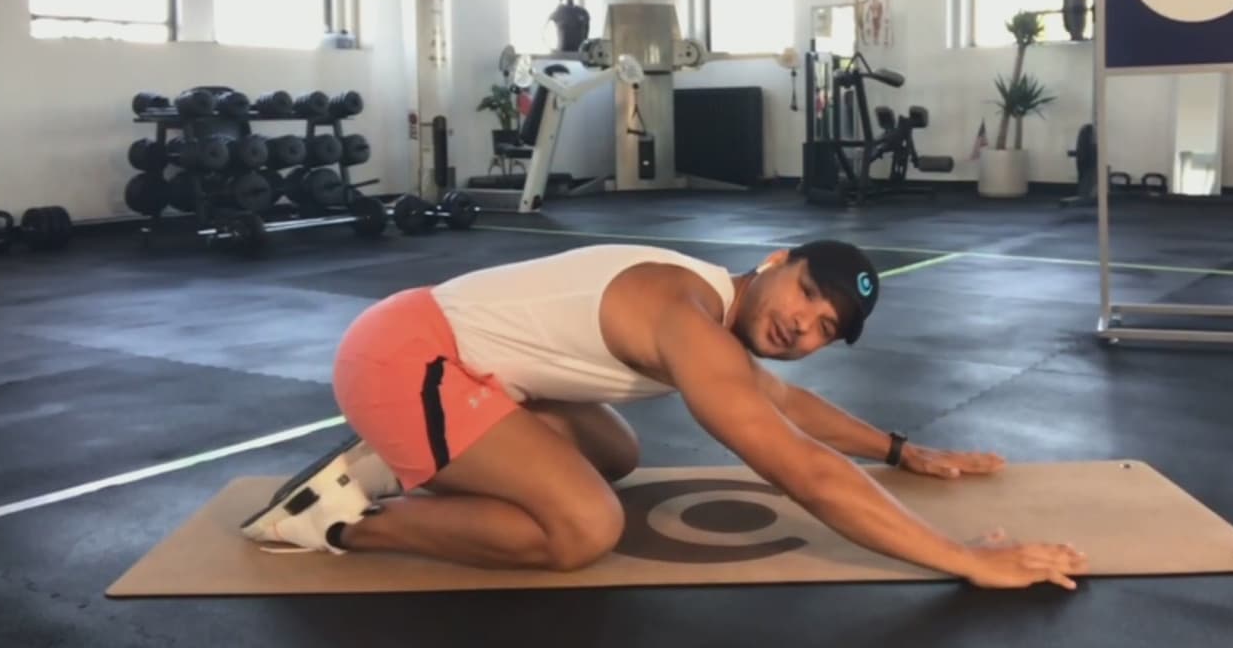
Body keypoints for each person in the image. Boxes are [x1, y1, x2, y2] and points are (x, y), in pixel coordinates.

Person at [242, 240, 1088, 590]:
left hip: (451, 360)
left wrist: (902, 451)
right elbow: (799, 467)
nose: (802, 325)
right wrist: (962, 560)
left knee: (616, 453)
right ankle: (344, 521)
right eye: (806, 294)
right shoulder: (686, 314)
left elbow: (785, 402)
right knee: (584, 528)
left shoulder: (715, 308)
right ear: (775, 261)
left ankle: (405, 451)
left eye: (826, 327)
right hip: (403, 359)